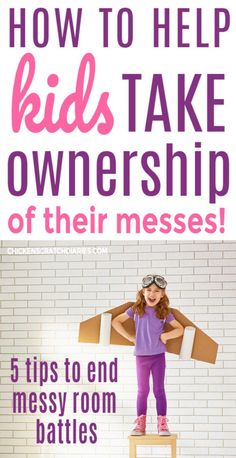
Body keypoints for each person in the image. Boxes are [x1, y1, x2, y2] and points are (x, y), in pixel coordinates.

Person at [112, 274, 184, 436]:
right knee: (142, 390)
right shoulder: (136, 309)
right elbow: (116, 321)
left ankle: (162, 424)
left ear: (162, 294)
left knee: (159, 390)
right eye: (149, 290)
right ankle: (140, 424)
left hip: (158, 356)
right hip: (141, 357)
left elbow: (180, 329)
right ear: (143, 292)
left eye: (157, 291)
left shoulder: (164, 312)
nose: (152, 294)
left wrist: (166, 336)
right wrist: (130, 337)